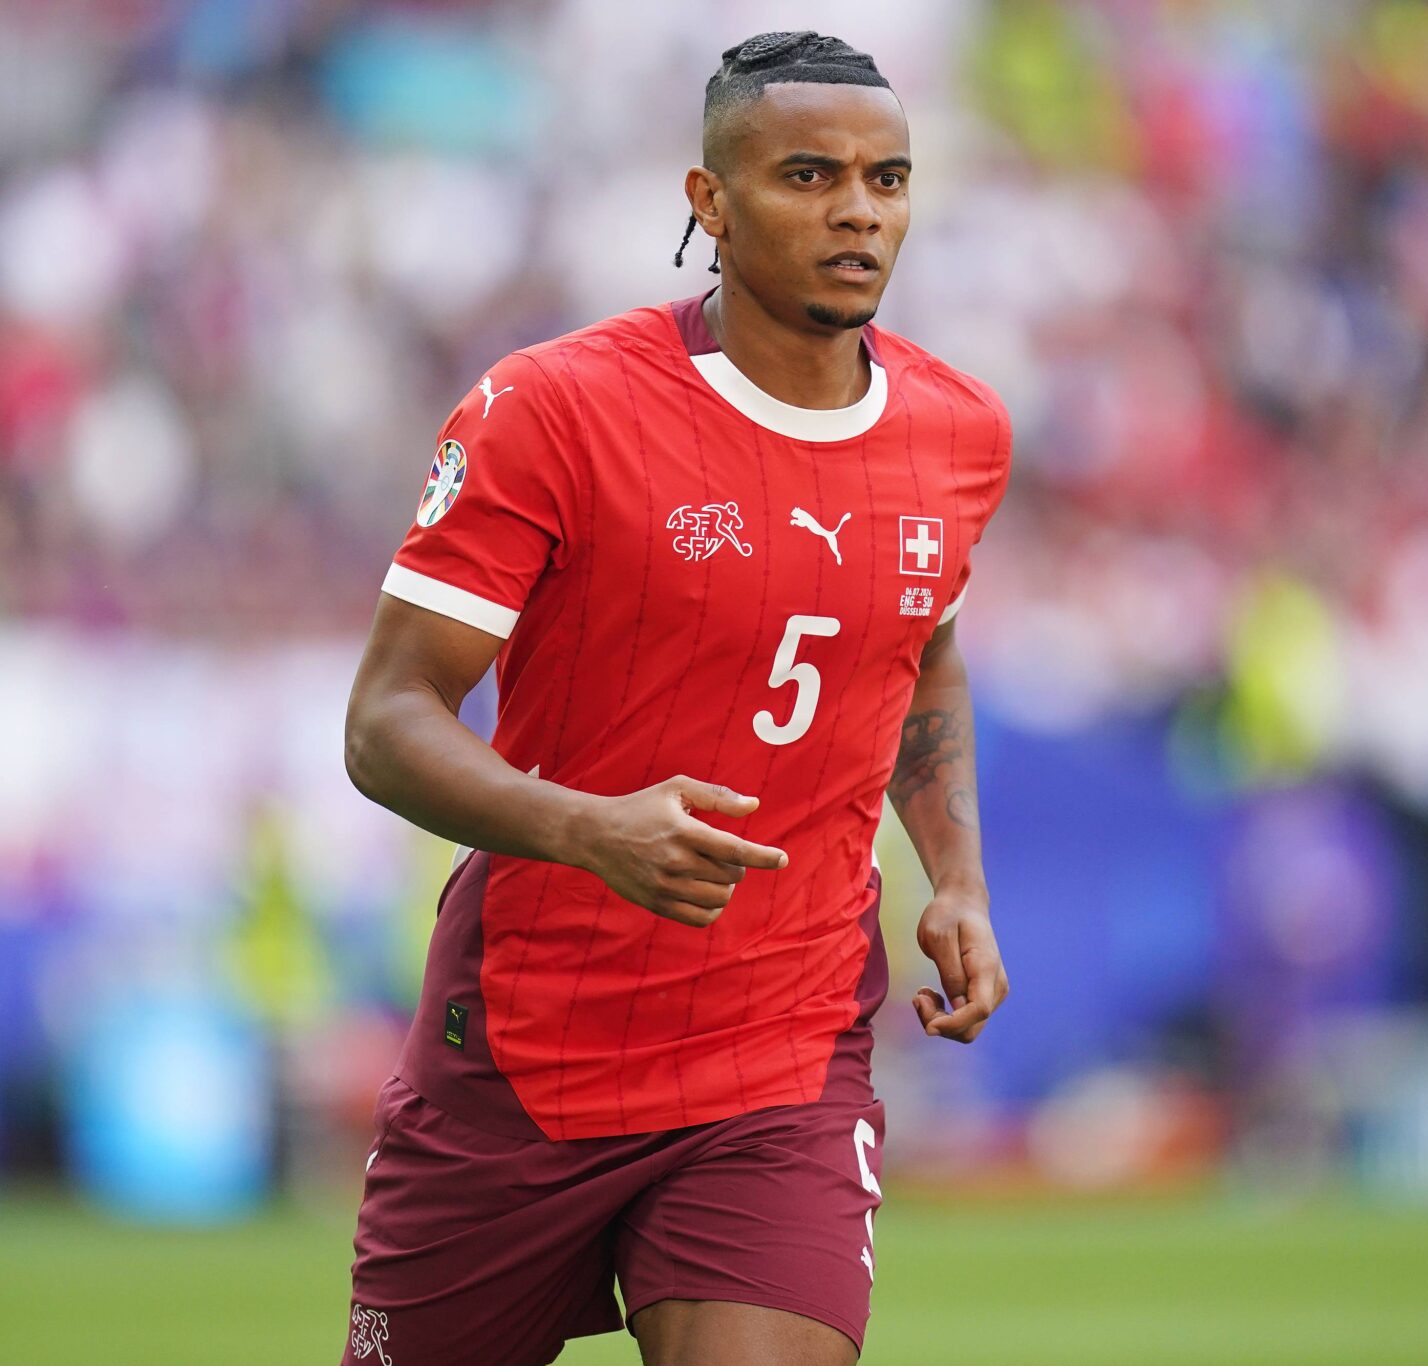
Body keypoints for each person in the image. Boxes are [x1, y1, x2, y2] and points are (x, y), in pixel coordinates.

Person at [342, 31, 1011, 1366]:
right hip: (529, 1049)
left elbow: (919, 643)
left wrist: (955, 873)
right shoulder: (552, 411)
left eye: (887, 179)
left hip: (783, 1059)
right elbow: (387, 723)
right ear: (708, 203)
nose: (858, 212)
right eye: (810, 175)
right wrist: (591, 829)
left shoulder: (961, 432)